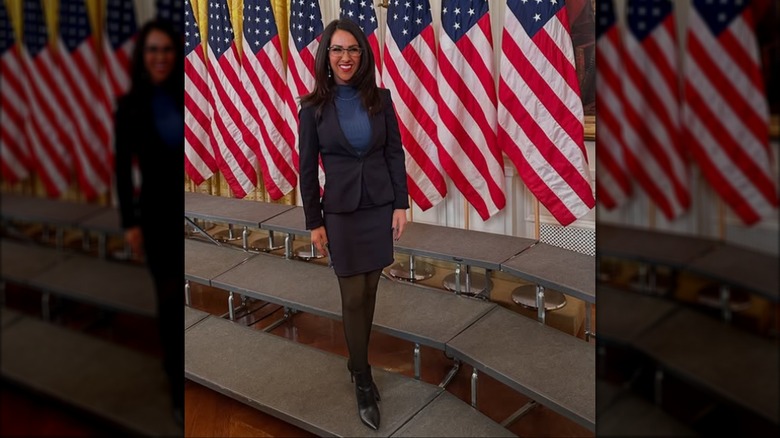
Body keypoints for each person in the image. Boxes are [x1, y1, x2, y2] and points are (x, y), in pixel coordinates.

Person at [298, 18, 409, 431]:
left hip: (379, 206)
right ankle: (362, 377)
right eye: (338, 50)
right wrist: (314, 222)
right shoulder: (312, 108)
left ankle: (356, 359)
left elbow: (394, 153)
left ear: (363, 56)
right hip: (340, 214)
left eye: (353, 50)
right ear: (327, 56)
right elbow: (307, 170)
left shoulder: (381, 98)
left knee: (371, 287)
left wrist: (401, 204)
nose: (346, 57)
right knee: (352, 295)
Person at [113, 19, 184, 427]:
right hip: (154, 218)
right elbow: (123, 170)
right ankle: (175, 381)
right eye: (152, 50)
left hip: (183, 216)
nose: (160, 57)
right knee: (169, 300)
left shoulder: (184, 94)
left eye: (167, 50)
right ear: (143, 55)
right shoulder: (130, 104)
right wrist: (130, 223)